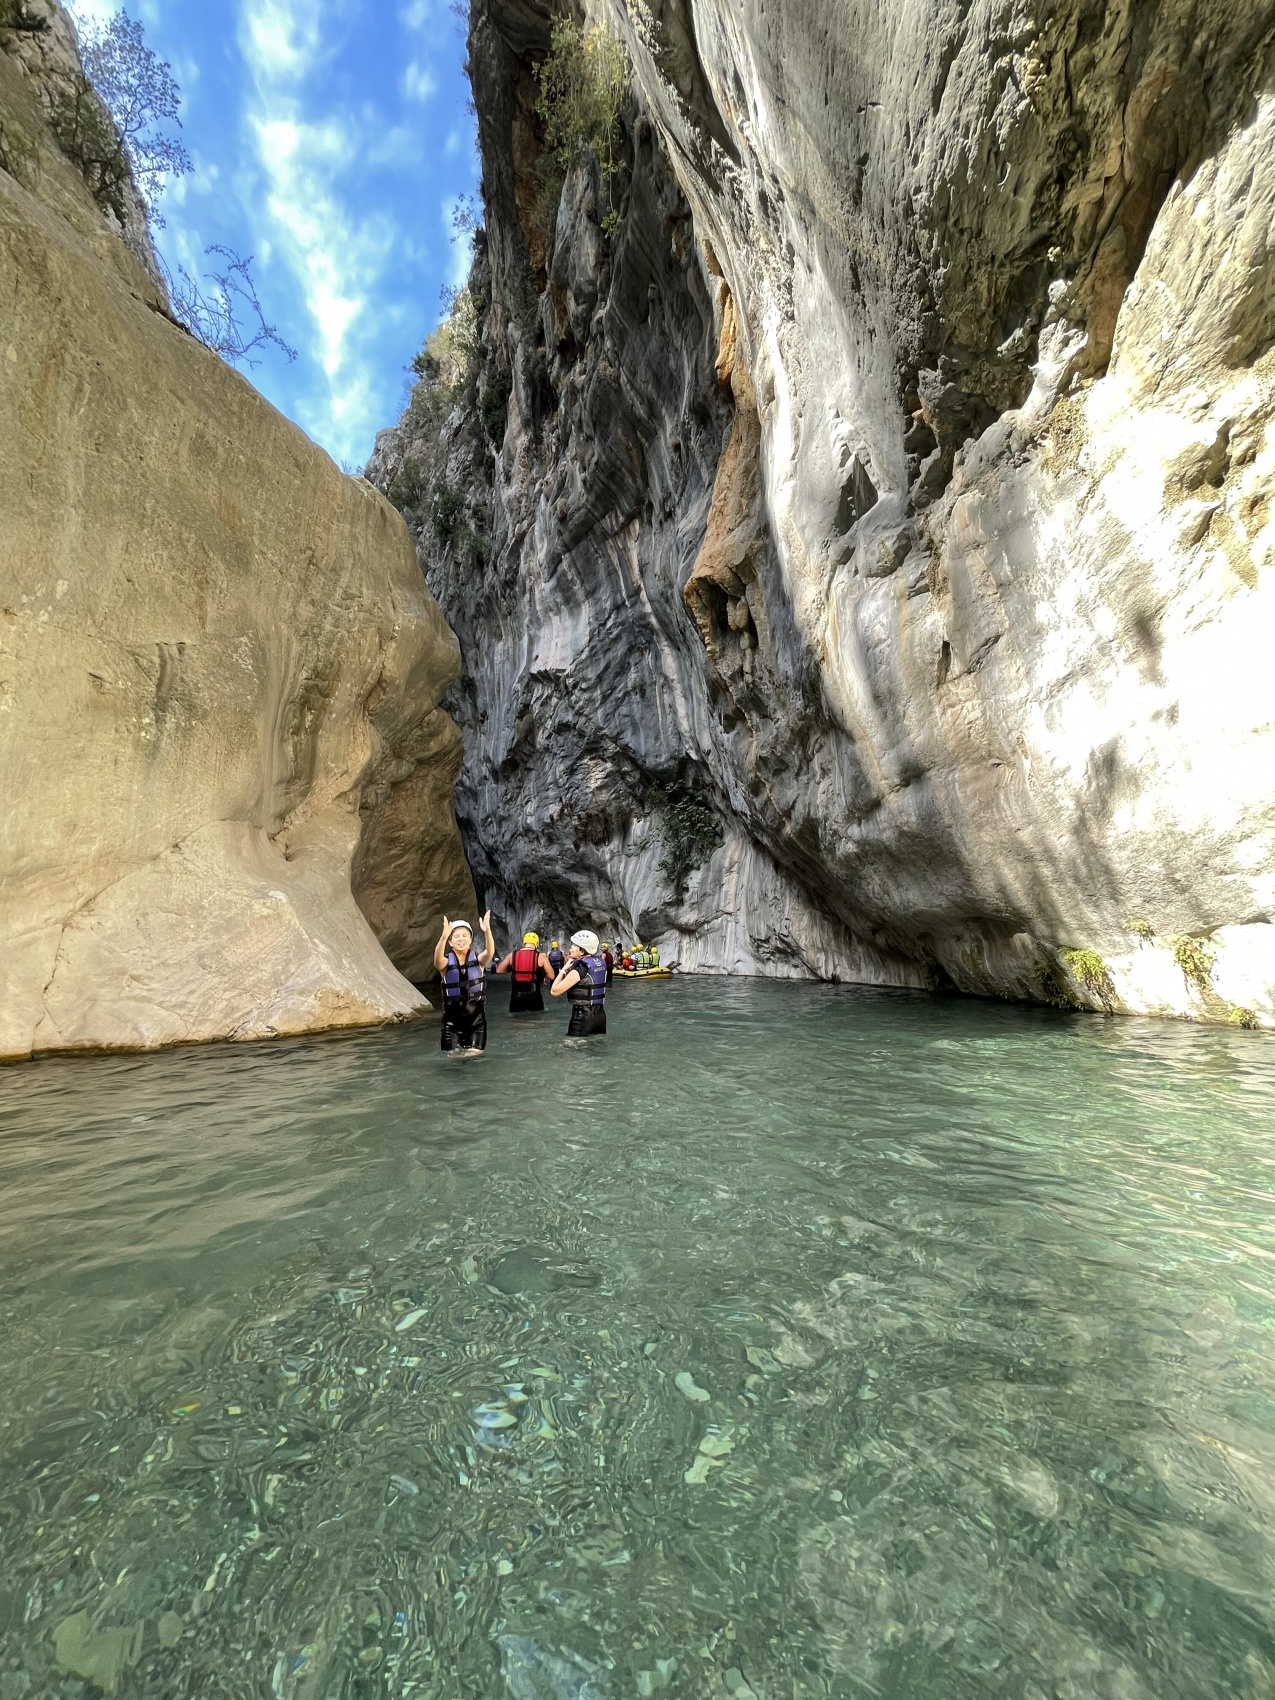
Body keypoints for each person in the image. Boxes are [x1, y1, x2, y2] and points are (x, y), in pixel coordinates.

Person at [433, 912, 495, 1054]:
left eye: (464, 935)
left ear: (470, 939)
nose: (461, 939)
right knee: (454, 1061)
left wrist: (487, 932)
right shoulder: (446, 963)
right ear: (450, 942)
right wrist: (443, 938)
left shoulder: (479, 961)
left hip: (476, 1023)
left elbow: (490, 952)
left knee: (473, 1057)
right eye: (456, 936)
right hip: (451, 1025)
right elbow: (437, 960)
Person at [550, 929, 608, 1037]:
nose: (570, 948)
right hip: (600, 1016)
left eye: (574, 946)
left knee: (572, 1052)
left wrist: (563, 970)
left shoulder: (580, 969)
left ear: (582, 951)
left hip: (582, 1018)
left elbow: (554, 991)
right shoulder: (599, 962)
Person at [495, 930, 554, 1013]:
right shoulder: (540, 956)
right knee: (536, 1020)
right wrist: (543, 974)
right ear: (536, 944)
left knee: (517, 1022)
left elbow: (499, 970)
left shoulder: (513, 955)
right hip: (534, 996)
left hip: (517, 996)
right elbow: (551, 976)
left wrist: (512, 968)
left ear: (524, 943)